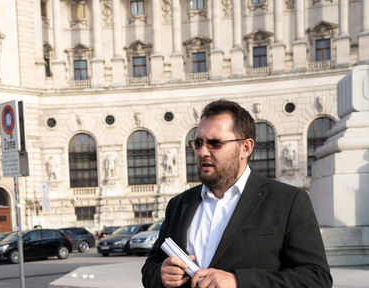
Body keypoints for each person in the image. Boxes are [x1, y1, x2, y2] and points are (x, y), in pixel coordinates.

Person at [142, 100, 332, 288]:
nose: (202, 152)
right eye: (198, 142)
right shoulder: (179, 205)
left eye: (215, 143)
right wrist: (161, 275)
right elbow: (151, 266)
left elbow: (316, 278)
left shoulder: (288, 201)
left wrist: (239, 281)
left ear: (246, 148)